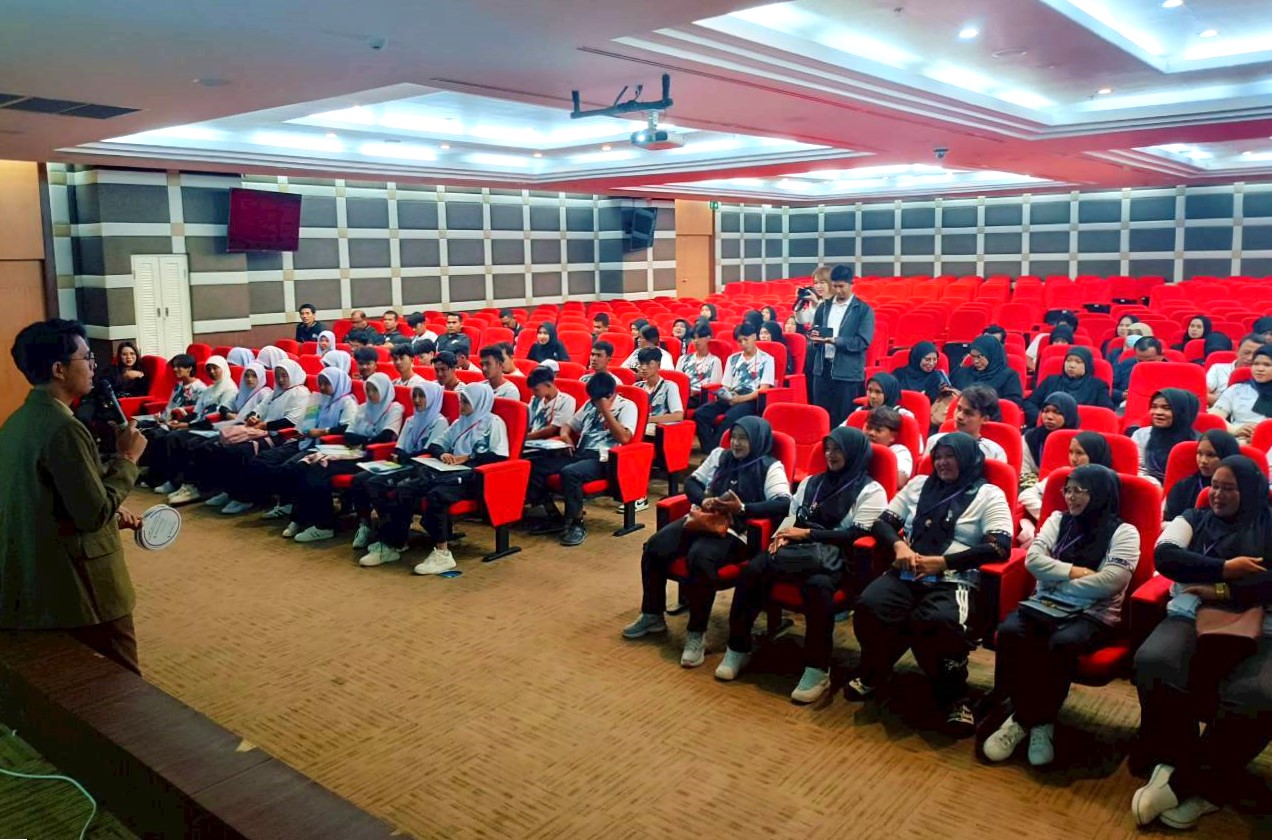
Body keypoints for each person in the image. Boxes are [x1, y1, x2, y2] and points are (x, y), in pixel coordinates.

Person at [1131, 454, 1272, 830]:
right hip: (1192, 614)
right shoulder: (1194, 518)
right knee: (1154, 661)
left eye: (1229, 489)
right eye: (1214, 486)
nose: (1217, 495)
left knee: (1257, 694)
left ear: (1250, 491)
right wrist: (1226, 569)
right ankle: (1176, 760)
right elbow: (1166, 558)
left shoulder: (1268, 523)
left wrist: (1221, 589)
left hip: (1263, 626)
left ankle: (1202, 785)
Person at [0, 319, 149, 674]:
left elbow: (52, 497)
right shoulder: (65, 428)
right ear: (59, 369)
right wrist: (127, 459)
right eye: (87, 358)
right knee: (121, 686)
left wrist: (107, 505)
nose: (94, 366)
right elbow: (92, 514)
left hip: (36, 576)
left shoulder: (18, 422)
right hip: (82, 587)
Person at [850, 432, 1013, 735]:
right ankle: (876, 670)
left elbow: (999, 547)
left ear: (967, 459)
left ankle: (955, 697)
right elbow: (882, 523)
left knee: (940, 623)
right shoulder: (918, 485)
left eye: (950, 457)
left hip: (954, 578)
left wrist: (945, 562)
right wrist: (899, 546)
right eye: (938, 457)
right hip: (909, 569)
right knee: (870, 605)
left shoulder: (989, 494)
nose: (942, 463)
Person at [983, 465, 1140, 766]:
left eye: (1079, 491)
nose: (1070, 497)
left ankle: (1029, 720)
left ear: (1099, 494)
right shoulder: (1058, 519)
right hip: (1045, 603)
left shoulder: (1125, 532)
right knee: (1011, 632)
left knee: (1063, 642)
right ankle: (1032, 718)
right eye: (1067, 490)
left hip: (1092, 613)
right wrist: (1075, 572)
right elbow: (1033, 561)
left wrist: (1056, 578)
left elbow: (1112, 581)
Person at [717, 427, 885, 701]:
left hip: (837, 559)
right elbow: (791, 516)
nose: (830, 455)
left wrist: (807, 534)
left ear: (854, 453)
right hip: (797, 549)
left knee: (817, 586)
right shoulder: (812, 482)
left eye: (838, 450)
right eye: (828, 449)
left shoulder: (871, 490)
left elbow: (856, 535)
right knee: (753, 570)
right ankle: (738, 647)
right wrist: (777, 542)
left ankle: (817, 668)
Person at [623, 416, 791, 667]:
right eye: (734, 437)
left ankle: (696, 633)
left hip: (736, 531)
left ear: (757, 441)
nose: (735, 443)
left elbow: (783, 503)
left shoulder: (770, 466)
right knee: (655, 546)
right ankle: (652, 614)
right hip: (703, 519)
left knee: (700, 557)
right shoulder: (720, 456)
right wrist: (703, 499)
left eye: (743, 439)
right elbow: (692, 482)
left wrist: (743, 508)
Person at [358, 383, 509, 573]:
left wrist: (469, 457)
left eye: (465, 402)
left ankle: (443, 554)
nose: (461, 406)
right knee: (405, 489)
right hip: (449, 470)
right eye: (461, 401)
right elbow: (436, 444)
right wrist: (443, 454)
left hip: (474, 476)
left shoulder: (494, 423)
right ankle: (393, 543)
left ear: (479, 402)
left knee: (436, 495)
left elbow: (500, 456)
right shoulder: (460, 422)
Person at [283, 372, 405, 543]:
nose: (370, 394)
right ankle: (303, 518)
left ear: (385, 390)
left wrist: (363, 443)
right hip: (351, 452)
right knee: (306, 467)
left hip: (372, 457)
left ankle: (324, 525)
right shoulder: (363, 408)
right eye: (368, 389)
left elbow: (386, 437)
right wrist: (365, 441)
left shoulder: (394, 408)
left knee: (319, 471)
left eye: (375, 390)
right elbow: (348, 436)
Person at [217, 366, 347, 516]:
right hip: (303, 441)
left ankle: (292, 508)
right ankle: (240, 493)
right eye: (321, 383)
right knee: (259, 459)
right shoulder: (316, 399)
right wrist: (256, 417)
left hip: (321, 446)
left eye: (327, 383)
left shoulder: (344, 403)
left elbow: (347, 429)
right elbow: (305, 424)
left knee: (290, 467)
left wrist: (322, 432)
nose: (322, 387)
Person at [526, 372, 636, 547]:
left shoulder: (627, 406)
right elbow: (568, 425)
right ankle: (553, 515)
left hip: (604, 458)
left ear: (609, 395)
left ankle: (576, 524)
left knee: (570, 473)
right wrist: (566, 437)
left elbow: (624, 438)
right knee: (533, 466)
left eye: (596, 399)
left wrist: (606, 411)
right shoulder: (590, 405)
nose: (593, 402)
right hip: (580, 453)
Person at [348, 381, 450, 551]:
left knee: (377, 484)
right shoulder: (411, 420)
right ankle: (369, 526)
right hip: (402, 464)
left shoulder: (439, 422)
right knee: (359, 480)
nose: (416, 400)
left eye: (422, 396)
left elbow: (429, 451)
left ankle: (393, 536)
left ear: (432, 398)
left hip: (418, 468)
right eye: (414, 396)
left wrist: (405, 457)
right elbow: (399, 448)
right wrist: (403, 456)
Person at [198, 361, 311, 509]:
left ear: (293, 375)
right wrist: (254, 417)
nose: (280, 379)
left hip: (282, 436)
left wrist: (264, 425)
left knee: (241, 452)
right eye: (278, 376)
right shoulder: (275, 392)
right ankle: (229, 490)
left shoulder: (300, 392)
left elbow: (291, 421)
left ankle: (245, 498)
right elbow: (258, 409)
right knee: (223, 448)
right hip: (262, 431)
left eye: (284, 376)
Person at [163, 362, 274, 506]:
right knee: (194, 443)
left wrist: (237, 417)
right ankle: (188, 484)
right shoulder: (242, 391)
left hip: (247, 430)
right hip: (232, 428)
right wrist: (232, 415)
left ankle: (202, 488)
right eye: (247, 375)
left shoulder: (265, 393)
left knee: (207, 446)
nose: (249, 379)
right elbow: (224, 408)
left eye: (254, 376)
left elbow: (254, 415)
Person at [145, 355, 237, 494]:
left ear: (223, 368)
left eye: (215, 368)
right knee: (166, 435)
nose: (212, 372)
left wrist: (187, 426)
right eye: (209, 369)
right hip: (198, 425)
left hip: (212, 428)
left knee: (174, 438)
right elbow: (195, 413)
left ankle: (176, 482)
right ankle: (166, 477)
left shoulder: (230, 390)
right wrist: (180, 422)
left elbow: (218, 417)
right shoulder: (209, 389)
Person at [1017, 431, 1113, 547]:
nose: (1073, 458)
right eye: (1071, 452)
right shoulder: (1063, 475)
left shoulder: (1109, 482)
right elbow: (1026, 495)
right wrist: (1049, 517)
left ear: (1095, 454)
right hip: (1056, 536)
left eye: (1079, 453)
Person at [809, 265, 875, 425]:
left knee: (844, 419)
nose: (838, 291)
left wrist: (835, 341)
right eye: (835, 286)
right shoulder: (823, 307)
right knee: (821, 418)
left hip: (847, 373)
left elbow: (863, 341)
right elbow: (815, 330)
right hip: (822, 369)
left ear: (851, 284)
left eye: (841, 286)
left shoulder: (863, 310)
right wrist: (814, 337)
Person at [694, 322, 775, 452]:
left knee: (730, 417)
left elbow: (763, 389)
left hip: (751, 399)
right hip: (732, 396)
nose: (743, 344)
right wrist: (724, 394)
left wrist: (740, 399)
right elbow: (726, 385)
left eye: (746, 339)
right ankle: (710, 449)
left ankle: (715, 451)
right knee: (700, 413)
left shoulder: (767, 359)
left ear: (754, 337)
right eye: (740, 341)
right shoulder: (733, 359)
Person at [1163, 430, 1241, 522]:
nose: (1203, 460)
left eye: (1211, 455)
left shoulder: (1239, 490)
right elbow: (1168, 521)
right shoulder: (1183, 487)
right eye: (1199, 453)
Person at [1023, 345, 1113, 425]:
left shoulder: (1098, 386)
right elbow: (1030, 402)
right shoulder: (1051, 381)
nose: (1072, 365)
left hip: (1083, 431)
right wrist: (1041, 419)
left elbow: (1107, 412)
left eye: (1078, 362)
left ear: (1087, 365)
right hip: (1048, 426)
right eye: (1068, 361)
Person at [926, 384, 1008, 464]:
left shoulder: (994, 452)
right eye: (959, 408)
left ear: (985, 419)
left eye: (968, 413)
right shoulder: (935, 441)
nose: (959, 416)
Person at [1132, 389, 1200, 483]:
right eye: (1154, 407)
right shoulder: (1141, 435)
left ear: (1182, 412)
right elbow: (1137, 470)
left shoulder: (1198, 443)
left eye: (1166, 408)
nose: (1158, 412)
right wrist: (1153, 484)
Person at [1209, 343, 1272, 440]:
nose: (1260, 369)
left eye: (1267, 365)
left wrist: (1261, 435)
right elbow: (1214, 417)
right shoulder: (1236, 389)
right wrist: (1236, 430)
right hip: (1238, 439)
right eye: (1256, 364)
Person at [951, 335, 1024, 408]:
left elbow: (1012, 405)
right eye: (973, 356)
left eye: (980, 357)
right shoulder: (963, 373)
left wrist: (971, 400)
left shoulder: (1009, 376)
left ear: (992, 355)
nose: (976, 361)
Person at [1021, 392, 1080, 481]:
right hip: (1035, 486)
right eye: (1045, 411)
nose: (1049, 417)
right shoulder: (1029, 438)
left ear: (1069, 415)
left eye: (1057, 412)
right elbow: (1023, 474)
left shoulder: (1081, 442)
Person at [863, 406, 913, 488]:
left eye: (878, 430)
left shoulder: (899, 451)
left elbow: (900, 481)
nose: (871, 433)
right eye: (869, 428)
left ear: (893, 436)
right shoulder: (858, 444)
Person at [1207, 333, 1263, 405]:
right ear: (1237, 350)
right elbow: (1203, 393)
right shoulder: (1218, 369)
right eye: (1246, 353)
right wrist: (1228, 403)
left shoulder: (1266, 375)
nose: (1250, 358)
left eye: (1256, 355)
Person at [676, 324, 723, 408]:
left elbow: (714, 387)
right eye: (693, 338)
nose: (696, 341)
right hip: (683, 394)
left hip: (701, 397)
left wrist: (695, 391)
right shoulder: (683, 359)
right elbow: (677, 381)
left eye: (700, 337)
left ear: (708, 338)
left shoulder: (715, 361)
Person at [525, 366, 576, 442]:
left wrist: (524, 437)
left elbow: (552, 430)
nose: (533, 393)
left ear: (548, 384)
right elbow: (527, 421)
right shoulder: (535, 399)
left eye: (536, 390)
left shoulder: (566, 401)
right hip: (531, 438)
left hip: (548, 442)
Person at [892, 341, 950, 405]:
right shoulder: (899, 374)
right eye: (927, 360)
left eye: (935, 359)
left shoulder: (937, 378)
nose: (931, 363)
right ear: (917, 358)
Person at [1113, 333, 1164, 404]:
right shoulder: (1125, 365)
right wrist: (1122, 395)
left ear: (1161, 357)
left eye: (1150, 361)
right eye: (1140, 361)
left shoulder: (1171, 370)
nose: (1144, 365)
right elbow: (1111, 389)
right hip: (1128, 404)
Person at [793, 266, 830, 332]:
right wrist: (800, 301)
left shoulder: (838, 301)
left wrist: (816, 303)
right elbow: (801, 320)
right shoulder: (816, 302)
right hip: (816, 337)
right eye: (815, 283)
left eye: (822, 283)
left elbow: (830, 325)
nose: (818, 286)